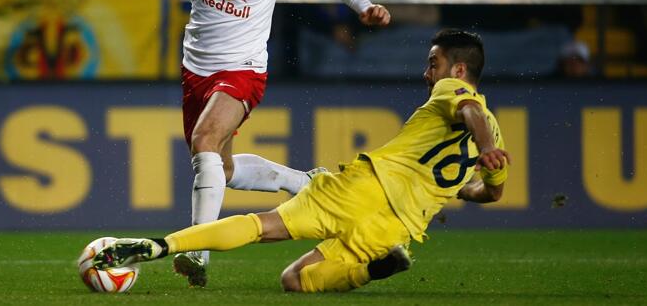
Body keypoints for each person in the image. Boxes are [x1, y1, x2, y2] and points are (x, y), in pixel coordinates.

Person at [52, 0, 391, 286]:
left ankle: (197, 248)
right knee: (220, 167)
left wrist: (364, 6)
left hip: (243, 69)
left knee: (204, 142)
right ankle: (303, 181)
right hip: (196, 69)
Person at [91, 29, 510, 293]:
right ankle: (374, 269)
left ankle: (161, 245)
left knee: (261, 226)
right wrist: (466, 179)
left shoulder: (455, 91)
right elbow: (492, 192)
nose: (427, 73)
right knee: (294, 281)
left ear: (457, 67)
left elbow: (469, 110)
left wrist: (484, 142)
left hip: (362, 189)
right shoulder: (495, 129)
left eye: (432, 64)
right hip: (397, 226)